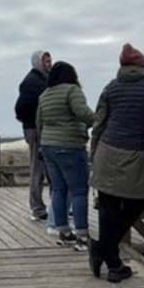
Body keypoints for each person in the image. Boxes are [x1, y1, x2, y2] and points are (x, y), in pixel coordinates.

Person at [89, 43, 144, 283]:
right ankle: (110, 259)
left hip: (106, 151)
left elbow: (99, 123)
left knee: (107, 208)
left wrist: (93, 155)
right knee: (137, 202)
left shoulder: (111, 87)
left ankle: (107, 255)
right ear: (142, 64)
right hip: (135, 153)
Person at [35, 60, 94, 246]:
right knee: (79, 191)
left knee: (59, 189)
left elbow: (39, 123)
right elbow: (82, 113)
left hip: (48, 147)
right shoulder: (72, 90)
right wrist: (100, 120)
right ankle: (82, 236)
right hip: (70, 145)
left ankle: (64, 232)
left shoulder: (44, 95)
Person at [14, 50, 52, 221]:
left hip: (42, 128)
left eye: (50, 60)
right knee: (38, 168)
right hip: (35, 128)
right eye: (46, 61)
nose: (49, 63)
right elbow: (21, 108)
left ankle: (54, 205)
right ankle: (37, 207)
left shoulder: (43, 79)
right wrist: (33, 120)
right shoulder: (32, 81)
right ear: (38, 62)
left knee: (48, 168)